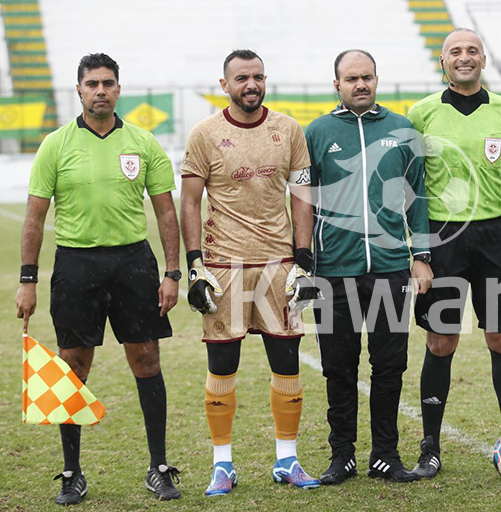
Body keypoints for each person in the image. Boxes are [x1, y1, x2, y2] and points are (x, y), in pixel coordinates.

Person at [14, 53, 182, 504]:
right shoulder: (56, 145)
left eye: (108, 83)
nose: (101, 91)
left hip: (133, 263)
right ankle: (72, 472)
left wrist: (172, 272)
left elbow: (166, 213)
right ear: (79, 90)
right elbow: (34, 216)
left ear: (119, 89)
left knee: (146, 359)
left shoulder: (143, 142)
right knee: (73, 365)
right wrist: (28, 279)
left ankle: (159, 467)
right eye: (92, 84)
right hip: (76, 265)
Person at [180, 49, 320, 495]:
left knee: (287, 361)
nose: (251, 84)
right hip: (225, 265)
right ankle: (222, 465)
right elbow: (189, 202)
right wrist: (195, 266)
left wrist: (303, 261)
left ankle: (287, 459)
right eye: (241, 78)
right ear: (225, 84)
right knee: (222, 365)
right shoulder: (205, 133)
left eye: (258, 76)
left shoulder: (289, 129)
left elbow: (302, 197)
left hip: (279, 265)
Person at [305, 49, 433, 484]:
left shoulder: (402, 129)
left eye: (367, 77)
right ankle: (342, 455)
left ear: (376, 80)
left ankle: (385, 455)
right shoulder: (317, 133)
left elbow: (418, 197)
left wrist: (422, 256)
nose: (360, 84)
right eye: (351, 78)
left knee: (390, 366)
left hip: (391, 268)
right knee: (338, 367)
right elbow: (302, 202)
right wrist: (304, 260)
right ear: (336, 84)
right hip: (333, 271)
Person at [407, 28, 501, 479]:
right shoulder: (421, 114)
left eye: (472, 50)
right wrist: (422, 249)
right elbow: (411, 185)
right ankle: (430, 447)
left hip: (495, 238)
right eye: (455, 51)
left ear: (483, 59)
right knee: (441, 341)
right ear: (443, 62)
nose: (464, 57)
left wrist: (492, 216)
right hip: (443, 240)